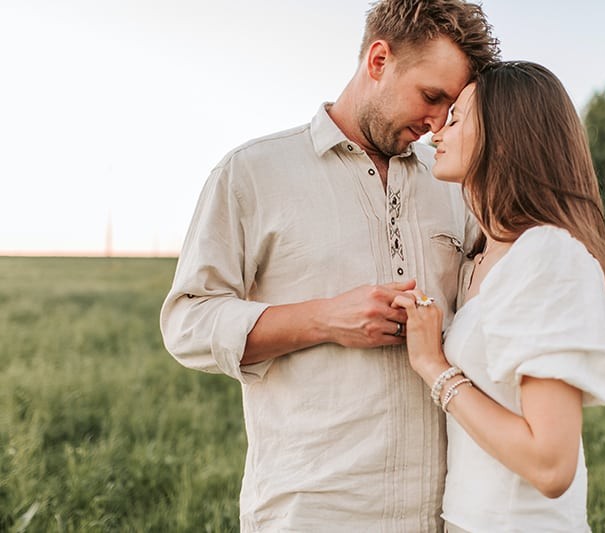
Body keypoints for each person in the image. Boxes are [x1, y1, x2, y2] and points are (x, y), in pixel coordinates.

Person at [160, 1, 499, 530]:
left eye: (451, 108)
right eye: (431, 97)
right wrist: (323, 318)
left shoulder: (455, 180)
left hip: (447, 510)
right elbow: (187, 323)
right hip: (311, 510)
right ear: (379, 59)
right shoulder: (251, 173)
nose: (437, 123)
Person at [392, 61, 605, 532]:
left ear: (505, 135)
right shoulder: (481, 254)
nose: (436, 130)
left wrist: (435, 367)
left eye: (455, 118)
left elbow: (550, 465)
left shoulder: (548, 254)